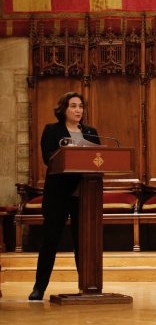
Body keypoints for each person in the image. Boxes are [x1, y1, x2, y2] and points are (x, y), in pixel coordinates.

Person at [29, 92, 101, 301]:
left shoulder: (90, 132)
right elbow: (49, 158)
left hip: (85, 194)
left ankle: (88, 286)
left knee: (84, 243)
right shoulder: (52, 131)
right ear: (64, 109)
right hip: (58, 194)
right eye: (73, 106)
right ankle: (39, 288)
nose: (78, 110)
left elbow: (100, 157)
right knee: (50, 241)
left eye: (81, 106)